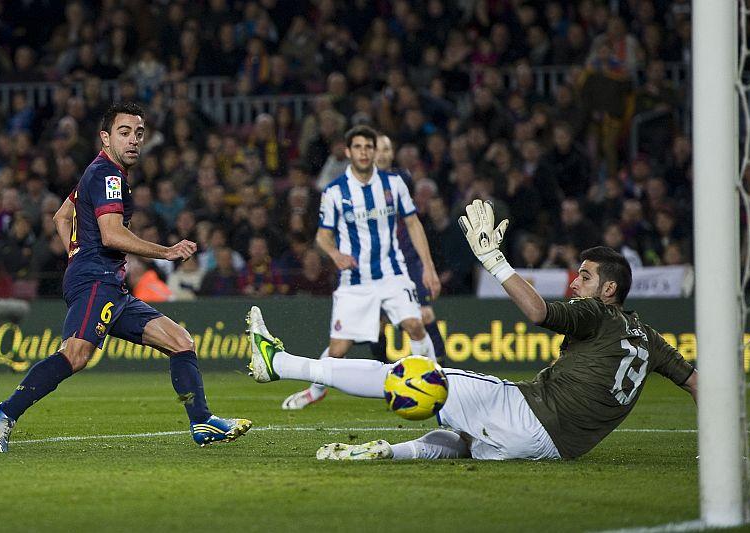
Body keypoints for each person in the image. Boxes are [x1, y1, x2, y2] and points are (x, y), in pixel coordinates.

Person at [245, 198, 697, 461]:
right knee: (464, 437)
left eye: (585, 276)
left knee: (415, 374)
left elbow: (538, 312)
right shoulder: (650, 339)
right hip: (553, 449)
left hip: (534, 415)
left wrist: (494, 260)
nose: (575, 281)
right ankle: (389, 452)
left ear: (610, 289)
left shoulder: (598, 314)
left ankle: (279, 362)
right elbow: (699, 385)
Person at [0, 103, 251, 453]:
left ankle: (201, 421)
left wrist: (75, 254)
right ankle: (4, 412)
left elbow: (62, 217)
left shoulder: (97, 174)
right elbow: (110, 235)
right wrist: (166, 252)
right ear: (105, 138)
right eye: (124, 132)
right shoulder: (108, 175)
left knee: (180, 340)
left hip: (108, 281)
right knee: (76, 354)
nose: (134, 140)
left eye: (139, 133)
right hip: (97, 279)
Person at [280, 125, 441, 410]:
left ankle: (431, 384)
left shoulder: (394, 184)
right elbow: (322, 235)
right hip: (355, 279)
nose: (364, 152)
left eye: (369, 147)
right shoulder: (335, 191)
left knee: (415, 325)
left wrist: (428, 267)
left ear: (375, 151)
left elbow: (414, 224)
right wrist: (334, 254)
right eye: (358, 147)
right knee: (339, 349)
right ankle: (316, 390)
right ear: (348, 152)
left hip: (393, 273)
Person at [369, 134, 447, 363]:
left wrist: (427, 267)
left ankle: (443, 371)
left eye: (386, 149)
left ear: (392, 154)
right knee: (375, 325)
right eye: (377, 149)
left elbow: (412, 221)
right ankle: (384, 372)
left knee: (423, 314)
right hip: (376, 264)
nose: (381, 154)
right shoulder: (355, 185)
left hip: (407, 260)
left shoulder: (401, 179)